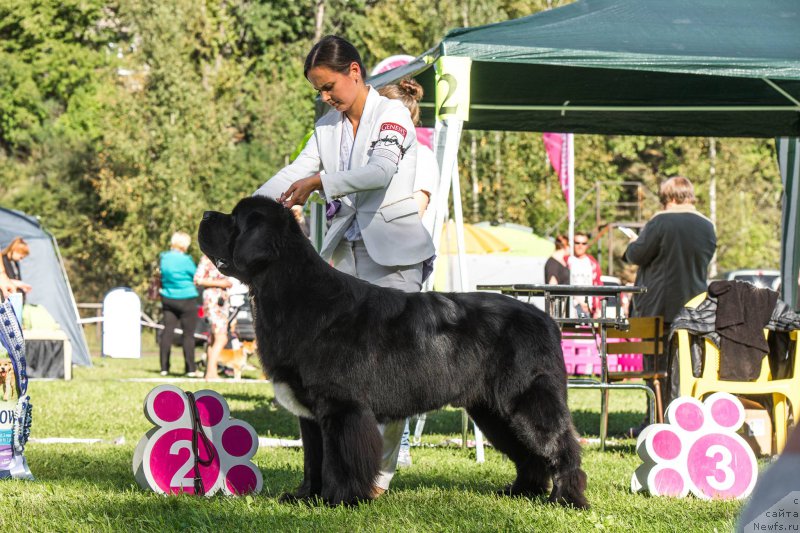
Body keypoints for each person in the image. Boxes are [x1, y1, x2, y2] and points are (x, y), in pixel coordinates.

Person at [253, 35, 435, 497]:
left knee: (393, 371)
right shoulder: (327, 127)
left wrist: (321, 181)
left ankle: (379, 476)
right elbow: (295, 170)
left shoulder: (391, 116)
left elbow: (379, 172)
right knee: (331, 375)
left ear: (355, 72)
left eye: (329, 86)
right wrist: (251, 205)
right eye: (318, 90)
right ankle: (329, 475)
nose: (325, 97)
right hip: (343, 260)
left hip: (394, 257)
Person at [623, 176, 717, 433]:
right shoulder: (707, 225)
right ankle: (683, 420)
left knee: (654, 368)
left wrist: (633, 242)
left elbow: (637, 255)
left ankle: (653, 422)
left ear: (669, 197)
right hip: (695, 308)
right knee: (686, 367)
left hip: (660, 307)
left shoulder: (661, 221)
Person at [378, 78, 439, 469]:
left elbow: (414, 210)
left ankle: (391, 452)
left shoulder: (422, 156)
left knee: (396, 366)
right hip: (364, 266)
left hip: (398, 267)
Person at [158, 231, 200, 377]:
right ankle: (190, 369)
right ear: (185, 244)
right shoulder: (187, 260)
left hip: (168, 298)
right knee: (188, 335)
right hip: (187, 298)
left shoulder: (164, 257)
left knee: (167, 332)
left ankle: (164, 367)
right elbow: (195, 275)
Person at [194, 254, 233, 380]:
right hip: (213, 300)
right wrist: (221, 283)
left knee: (214, 339)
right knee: (222, 338)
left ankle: (211, 372)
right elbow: (198, 280)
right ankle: (211, 373)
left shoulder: (223, 258)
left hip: (221, 301)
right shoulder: (207, 258)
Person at [568, 231, 602, 317]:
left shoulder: (593, 263)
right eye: (577, 243)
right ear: (573, 244)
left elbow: (599, 287)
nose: (580, 246)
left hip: (589, 311)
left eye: (583, 243)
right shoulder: (567, 261)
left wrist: (597, 309)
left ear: (587, 245)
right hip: (570, 310)